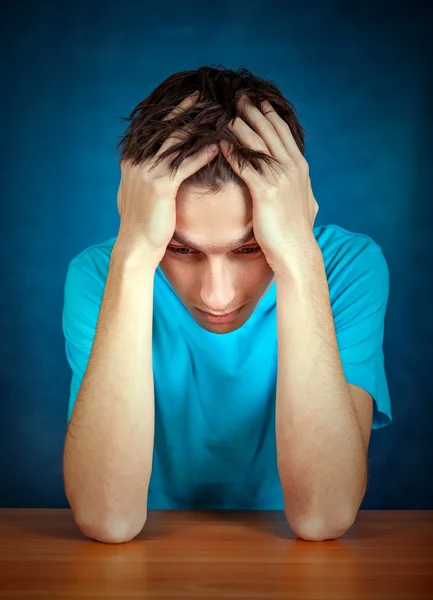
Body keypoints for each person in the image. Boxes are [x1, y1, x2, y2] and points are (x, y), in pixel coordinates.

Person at [62, 65, 392, 544]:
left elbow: (324, 516)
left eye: (249, 248)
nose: (216, 297)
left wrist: (298, 256)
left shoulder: (348, 268)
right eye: (179, 249)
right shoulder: (99, 275)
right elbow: (108, 520)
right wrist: (134, 255)